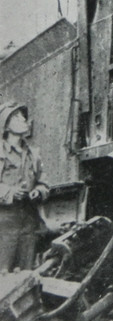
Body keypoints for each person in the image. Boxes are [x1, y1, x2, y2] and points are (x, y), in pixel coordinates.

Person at [0, 102, 49, 272]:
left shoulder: (34, 153)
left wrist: (38, 191)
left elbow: (43, 182)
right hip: (4, 224)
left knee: (26, 274)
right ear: (5, 124)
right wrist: (11, 192)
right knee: (3, 275)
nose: (23, 119)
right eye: (16, 116)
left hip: (29, 222)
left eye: (23, 116)